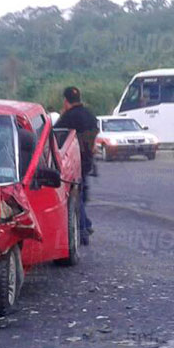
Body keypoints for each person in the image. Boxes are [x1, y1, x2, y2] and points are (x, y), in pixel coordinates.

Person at [56, 86, 99, 243]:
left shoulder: (68, 118)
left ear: (66, 101)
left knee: (75, 195)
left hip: (73, 162)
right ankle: (85, 224)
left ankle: (82, 230)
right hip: (87, 161)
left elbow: (56, 137)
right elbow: (94, 136)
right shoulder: (89, 115)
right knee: (80, 193)